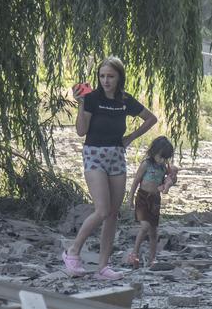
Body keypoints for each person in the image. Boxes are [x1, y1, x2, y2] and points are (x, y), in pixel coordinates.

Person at [63, 57, 158, 280]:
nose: (106, 80)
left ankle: (103, 267)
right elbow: (80, 131)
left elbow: (151, 118)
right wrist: (80, 104)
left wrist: (130, 138)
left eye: (110, 76)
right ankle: (73, 251)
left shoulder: (125, 100)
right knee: (102, 210)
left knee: (113, 215)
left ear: (119, 78)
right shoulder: (91, 97)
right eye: (102, 76)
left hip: (116, 155)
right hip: (94, 154)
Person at [126, 136, 178, 267]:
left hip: (155, 199)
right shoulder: (146, 164)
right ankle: (134, 254)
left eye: (165, 158)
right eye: (161, 157)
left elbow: (172, 179)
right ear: (154, 152)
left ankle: (152, 258)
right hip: (143, 198)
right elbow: (136, 181)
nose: (162, 160)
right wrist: (130, 198)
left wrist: (172, 178)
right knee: (144, 226)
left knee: (154, 231)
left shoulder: (163, 167)